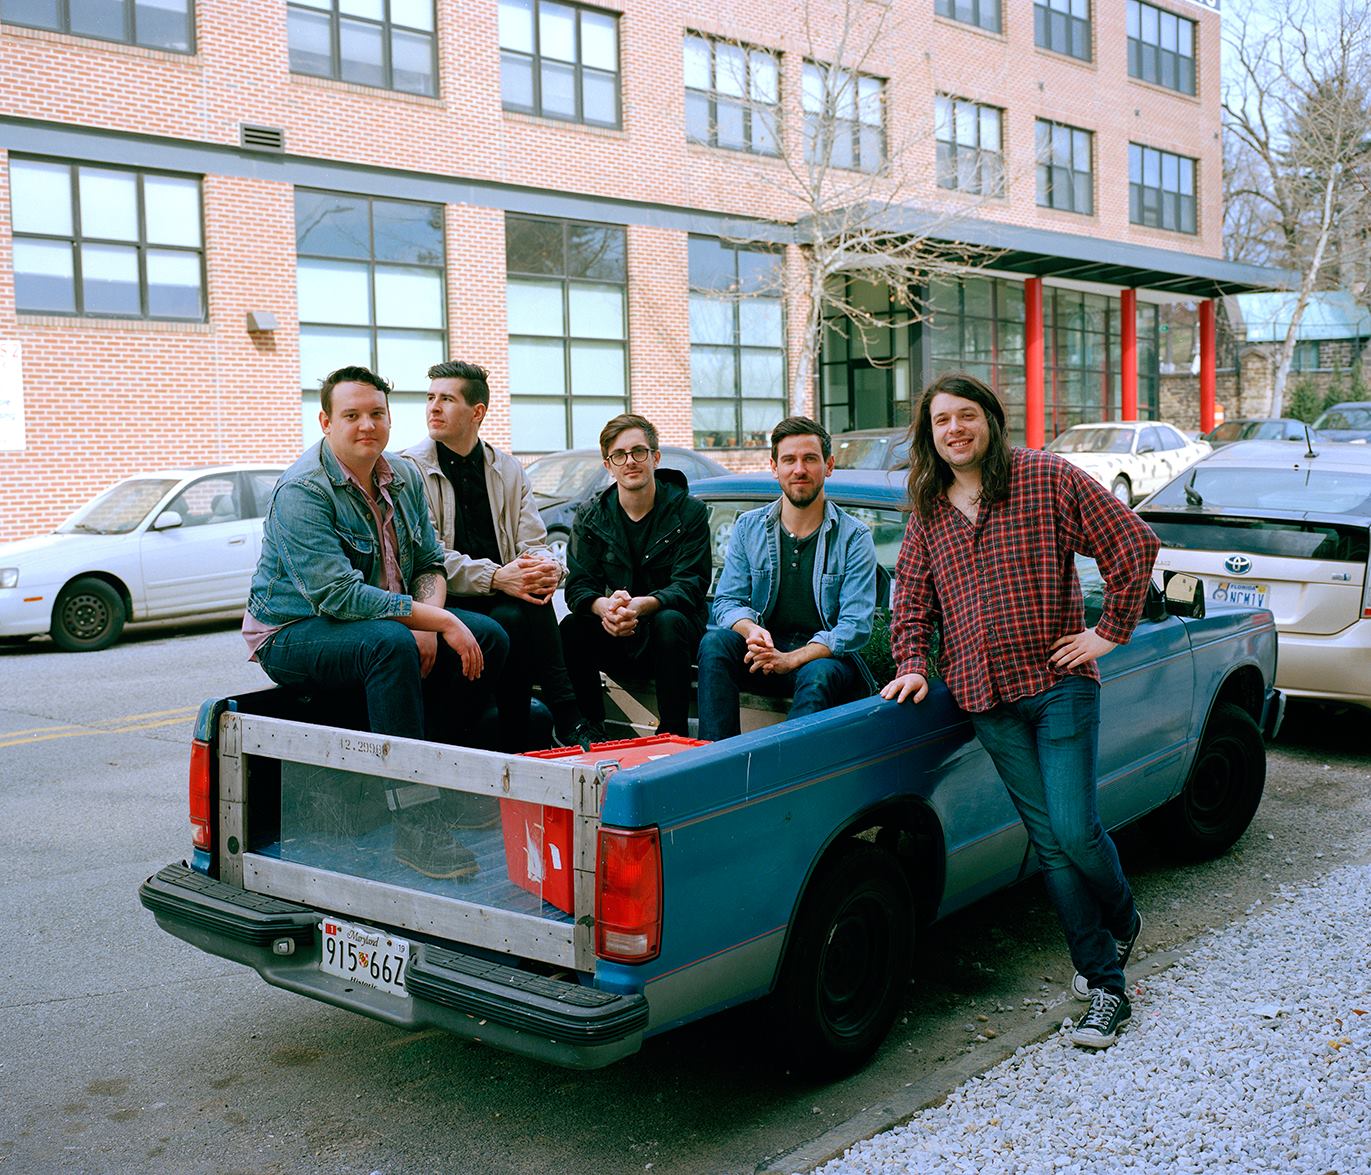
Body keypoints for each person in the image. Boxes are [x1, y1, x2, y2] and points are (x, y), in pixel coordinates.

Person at [881, 373, 1158, 1051]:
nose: (954, 429)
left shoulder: (1045, 477)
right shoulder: (928, 510)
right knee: (1050, 846)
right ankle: (1106, 984)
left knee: (1074, 830)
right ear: (929, 434)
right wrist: (912, 663)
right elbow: (910, 601)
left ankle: (1122, 916)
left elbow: (1133, 542)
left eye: (965, 415)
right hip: (986, 699)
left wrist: (1108, 631)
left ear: (990, 419)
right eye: (941, 420)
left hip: (1058, 685)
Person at [243, 365, 508, 880]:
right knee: (389, 644)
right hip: (292, 631)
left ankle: (446, 784)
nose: (367, 425)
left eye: (376, 414)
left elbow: (429, 561)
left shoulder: (402, 476)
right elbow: (336, 595)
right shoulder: (302, 489)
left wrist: (429, 626)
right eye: (351, 415)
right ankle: (415, 821)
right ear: (326, 422)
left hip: (375, 620)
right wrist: (433, 621)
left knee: (489, 637)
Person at [402, 360, 594, 753]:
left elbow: (533, 541)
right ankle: (565, 719)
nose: (433, 408)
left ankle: (531, 734)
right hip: (445, 598)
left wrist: (544, 567)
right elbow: (428, 557)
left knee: (529, 601)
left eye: (446, 399)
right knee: (515, 616)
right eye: (431, 398)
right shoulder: (411, 469)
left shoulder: (507, 468)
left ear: (477, 412)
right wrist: (497, 577)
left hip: (505, 592)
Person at [697, 416, 877, 741]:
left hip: (823, 660)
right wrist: (752, 631)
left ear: (829, 465)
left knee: (819, 674)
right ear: (774, 467)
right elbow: (727, 602)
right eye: (789, 460)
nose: (799, 469)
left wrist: (792, 658)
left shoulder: (854, 537)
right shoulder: (748, 527)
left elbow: (855, 626)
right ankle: (716, 754)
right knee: (715, 644)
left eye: (810, 459)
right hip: (764, 651)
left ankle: (791, 765)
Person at [559, 414, 711, 738]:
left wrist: (641, 606)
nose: (630, 461)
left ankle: (672, 734)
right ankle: (591, 728)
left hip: (671, 636)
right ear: (608, 465)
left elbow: (691, 585)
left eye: (639, 451)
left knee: (669, 621)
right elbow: (578, 586)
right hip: (617, 630)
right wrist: (604, 608)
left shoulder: (689, 513)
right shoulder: (591, 516)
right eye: (619, 455)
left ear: (655, 458)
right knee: (572, 627)